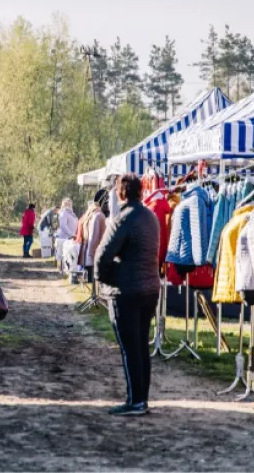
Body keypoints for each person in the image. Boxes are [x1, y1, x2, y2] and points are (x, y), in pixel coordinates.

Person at [94, 173, 160, 416]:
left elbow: (102, 255)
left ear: (120, 192)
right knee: (141, 344)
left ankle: (135, 400)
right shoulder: (150, 216)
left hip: (127, 291)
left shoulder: (122, 218)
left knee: (129, 347)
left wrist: (105, 278)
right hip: (150, 288)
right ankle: (141, 398)